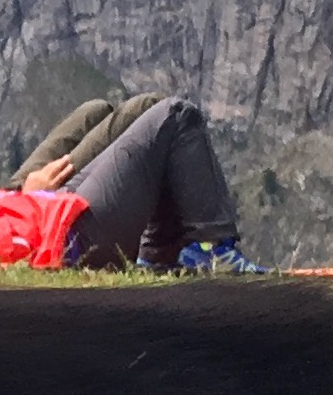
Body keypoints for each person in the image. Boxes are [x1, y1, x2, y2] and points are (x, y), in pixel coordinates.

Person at [20, 91, 248, 271]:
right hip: (31, 227)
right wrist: (31, 201)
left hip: (4, 208)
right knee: (175, 114)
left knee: (99, 111)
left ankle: (163, 250)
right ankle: (211, 249)